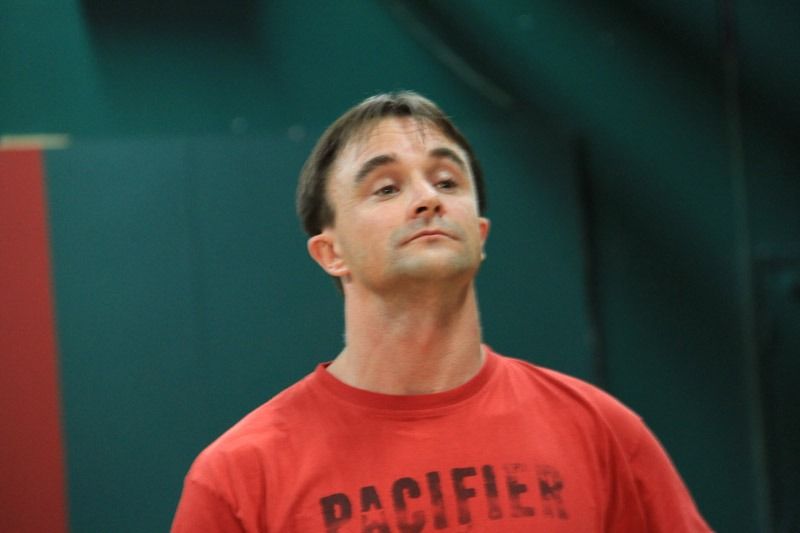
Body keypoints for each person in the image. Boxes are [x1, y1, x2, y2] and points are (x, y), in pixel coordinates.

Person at [171, 92, 712, 532]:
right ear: (331, 253)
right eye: (387, 188)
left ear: (480, 234)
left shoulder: (601, 431)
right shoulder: (240, 476)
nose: (428, 199)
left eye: (447, 181)